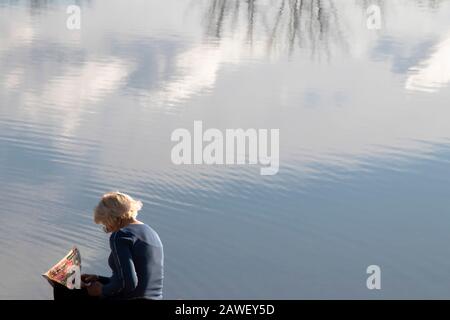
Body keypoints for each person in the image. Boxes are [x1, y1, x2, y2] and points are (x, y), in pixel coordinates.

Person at [53, 192, 164, 300]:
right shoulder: (151, 232)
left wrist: (102, 290)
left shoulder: (121, 235)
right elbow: (134, 279)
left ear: (112, 218)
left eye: (105, 225)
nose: (108, 230)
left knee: (61, 285)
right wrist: (100, 279)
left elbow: (129, 283)